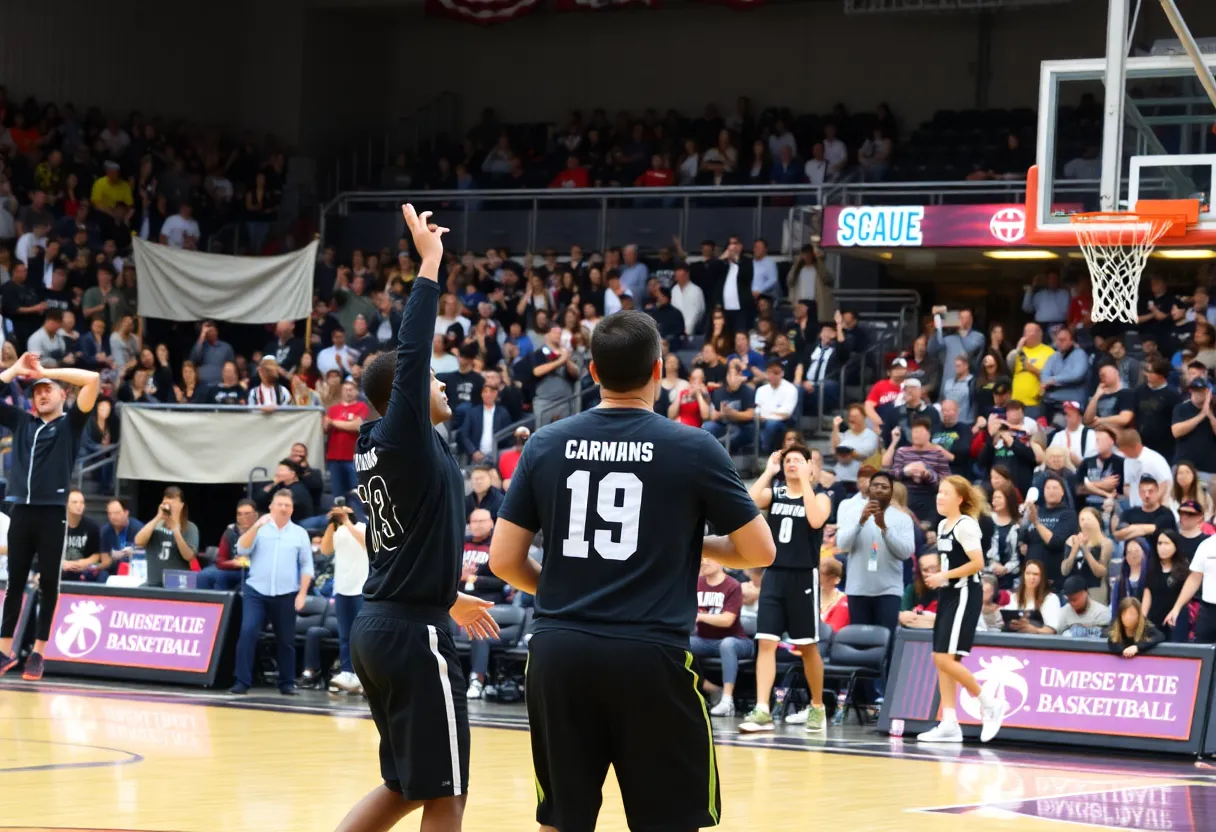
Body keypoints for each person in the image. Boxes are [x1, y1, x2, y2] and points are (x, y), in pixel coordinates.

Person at [488, 308, 775, 832]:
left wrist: (557, 593)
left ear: (592, 372)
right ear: (659, 371)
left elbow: (503, 560)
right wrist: (691, 545)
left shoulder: (545, 443)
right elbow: (759, 551)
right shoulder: (694, 446)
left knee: (562, 819)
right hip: (649, 655)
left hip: (559, 652)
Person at [337, 206, 498, 832]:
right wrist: (430, 262)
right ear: (404, 391)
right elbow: (411, 348)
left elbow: (400, 545)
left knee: (404, 784)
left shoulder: (378, 445)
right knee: (446, 794)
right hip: (409, 634)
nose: (445, 384)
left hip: (385, 623)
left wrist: (447, 595)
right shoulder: (402, 431)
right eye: (434, 378)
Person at [0, 354, 100, 682]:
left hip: (52, 512)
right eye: (37, 391)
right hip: (21, 510)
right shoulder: (21, 422)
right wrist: (15, 371)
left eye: (49, 390)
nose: (42, 394)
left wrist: (44, 371)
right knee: (14, 583)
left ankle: (39, 652)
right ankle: (4, 651)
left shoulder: (71, 424)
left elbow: (92, 379)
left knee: (48, 584)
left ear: (62, 396)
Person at [739, 445, 833, 734]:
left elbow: (816, 520)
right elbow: (748, 503)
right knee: (766, 642)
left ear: (809, 465)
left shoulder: (820, 497)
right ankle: (763, 709)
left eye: (798, 460)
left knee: (806, 646)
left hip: (803, 578)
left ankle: (817, 706)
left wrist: (806, 479)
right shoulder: (776, 493)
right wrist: (768, 472)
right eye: (788, 460)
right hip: (774, 576)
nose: (791, 464)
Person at [916, 476, 1005, 744]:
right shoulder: (943, 524)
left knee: (944, 660)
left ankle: (990, 703)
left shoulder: (966, 525)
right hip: (949, 593)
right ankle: (949, 723)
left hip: (966, 593)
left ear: (960, 498)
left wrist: (945, 575)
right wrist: (943, 578)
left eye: (945, 493)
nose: (939, 497)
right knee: (943, 660)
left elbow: (978, 563)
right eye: (938, 492)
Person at [230, 490, 313, 695]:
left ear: (292, 509)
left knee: (286, 639)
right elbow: (241, 549)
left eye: (287, 505)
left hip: (286, 593)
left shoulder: (299, 533)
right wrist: (256, 526)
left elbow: (307, 566)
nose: (283, 508)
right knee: (248, 632)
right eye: (279, 504)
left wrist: (302, 593)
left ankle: (287, 683)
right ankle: (242, 681)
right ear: (271, 507)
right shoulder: (260, 529)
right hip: (256, 591)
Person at [302, 502, 369, 694]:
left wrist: (347, 521)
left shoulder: (363, 527)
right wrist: (332, 524)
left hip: (360, 589)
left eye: (345, 510)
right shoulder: (337, 531)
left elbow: (367, 545)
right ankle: (347, 672)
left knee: (361, 635)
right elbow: (325, 550)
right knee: (345, 635)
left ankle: (363, 675)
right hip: (342, 588)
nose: (340, 513)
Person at [690, 557, 754, 718]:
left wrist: (700, 617)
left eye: (708, 558)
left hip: (737, 640)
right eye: (702, 558)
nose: (703, 562)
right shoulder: (696, 583)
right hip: (705, 640)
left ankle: (727, 700)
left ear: (721, 562)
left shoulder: (733, 585)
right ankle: (710, 688)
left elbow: (727, 620)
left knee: (727, 645)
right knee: (680, 644)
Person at [133, 486, 200, 588]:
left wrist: (175, 531)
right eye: (166, 503)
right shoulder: (154, 526)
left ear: (181, 505)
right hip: (153, 582)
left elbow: (189, 556)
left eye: (173, 502)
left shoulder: (190, 527)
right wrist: (158, 517)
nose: (169, 506)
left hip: (177, 584)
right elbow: (138, 542)